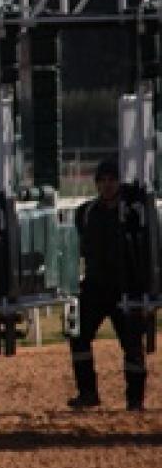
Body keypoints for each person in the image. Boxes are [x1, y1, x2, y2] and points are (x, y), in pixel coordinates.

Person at [67, 158, 148, 411]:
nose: (107, 185)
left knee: (132, 343)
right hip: (94, 286)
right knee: (78, 336)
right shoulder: (86, 212)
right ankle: (88, 392)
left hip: (126, 287)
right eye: (102, 180)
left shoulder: (133, 212)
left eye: (112, 180)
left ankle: (135, 400)